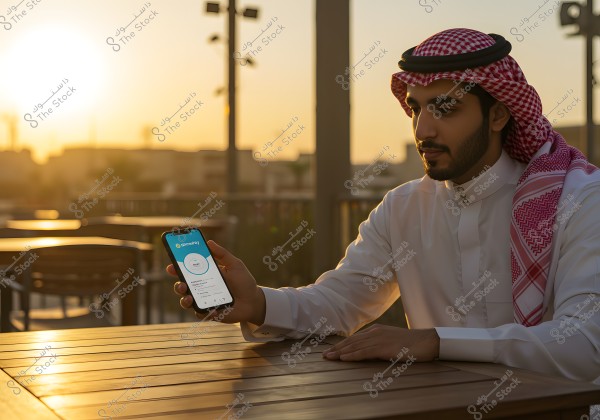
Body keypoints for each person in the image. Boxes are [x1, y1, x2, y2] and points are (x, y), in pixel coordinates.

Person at [169, 28, 600, 384]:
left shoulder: (577, 199)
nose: (422, 129)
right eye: (416, 108)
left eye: (445, 107)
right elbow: (339, 303)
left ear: (499, 116)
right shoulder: (404, 207)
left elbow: (585, 345)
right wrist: (259, 304)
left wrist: (433, 341)